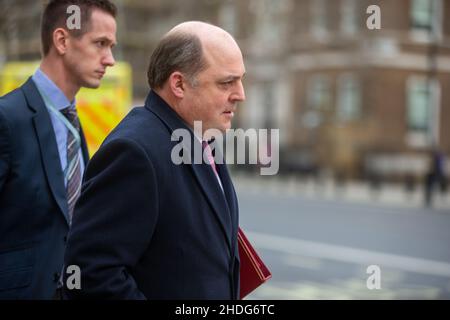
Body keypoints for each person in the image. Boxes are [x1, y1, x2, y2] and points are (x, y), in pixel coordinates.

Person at [63, 21, 246, 299]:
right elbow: (91, 273)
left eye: (240, 79)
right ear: (179, 84)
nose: (240, 94)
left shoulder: (199, 135)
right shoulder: (135, 152)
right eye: (226, 82)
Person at [0, 0, 117, 299]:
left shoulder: (74, 123)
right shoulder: (7, 118)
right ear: (62, 40)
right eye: (100, 44)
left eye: (111, 46)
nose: (110, 59)